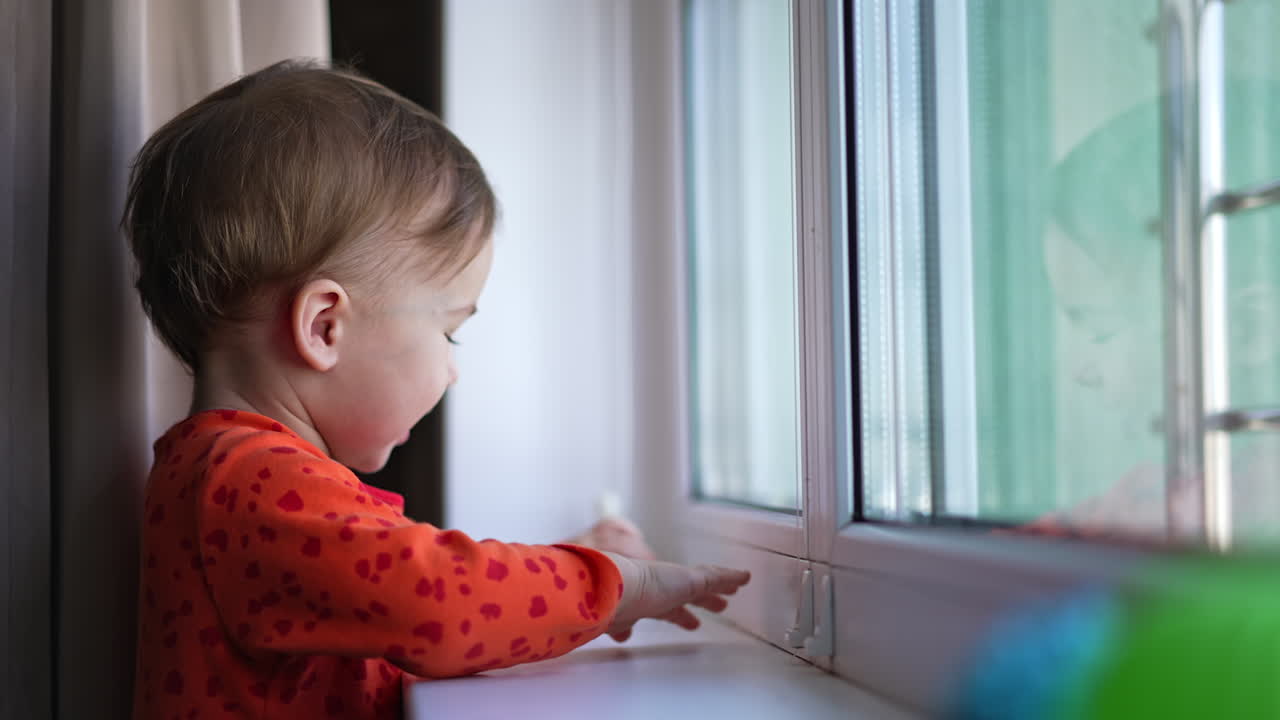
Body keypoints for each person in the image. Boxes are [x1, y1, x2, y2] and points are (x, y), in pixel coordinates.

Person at [123, 59, 749, 720]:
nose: (452, 369)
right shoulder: (250, 480)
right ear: (325, 326)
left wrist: (575, 572)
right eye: (449, 332)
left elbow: (396, 611)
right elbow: (433, 604)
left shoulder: (225, 473)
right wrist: (618, 586)